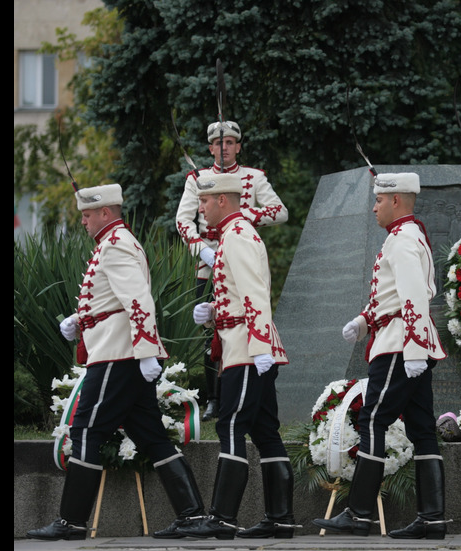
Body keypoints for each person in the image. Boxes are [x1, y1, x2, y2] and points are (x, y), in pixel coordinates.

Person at [27, 184, 205, 541]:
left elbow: (139, 301)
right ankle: (193, 516)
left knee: (87, 431)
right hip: (120, 353)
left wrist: (146, 352)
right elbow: (114, 301)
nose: (83, 221)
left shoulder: (116, 245)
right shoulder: (114, 243)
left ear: (105, 213)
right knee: (151, 436)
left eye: (87, 214)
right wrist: (80, 320)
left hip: (117, 356)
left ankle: (72, 522)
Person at [313, 172, 448, 539]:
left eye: (378, 201)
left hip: (400, 346)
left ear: (396, 201)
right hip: (402, 341)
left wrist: (416, 349)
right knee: (422, 429)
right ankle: (432, 519)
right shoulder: (405, 236)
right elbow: (392, 297)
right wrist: (363, 320)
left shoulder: (402, 240)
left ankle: (359, 514)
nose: (374, 207)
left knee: (372, 420)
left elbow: (414, 297)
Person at [178, 173, 294, 540]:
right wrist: (213, 310)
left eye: (205, 202)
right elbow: (239, 292)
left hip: (247, 349)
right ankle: (281, 518)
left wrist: (260, 347)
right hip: (245, 345)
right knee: (265, 433)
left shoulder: (237, 234)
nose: (201, 208)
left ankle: (224, 517)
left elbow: (255, 293)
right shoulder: (234, 233)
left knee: (230, 426)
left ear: (222, 201)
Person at [175, 120, 288, 421]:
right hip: (207, 261)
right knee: (209, 328)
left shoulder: (254, 177)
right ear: (210, 147)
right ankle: (214, 396)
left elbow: (280, 211)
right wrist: (204, 251)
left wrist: (244, 213)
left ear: (238, 146)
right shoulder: (197, 179)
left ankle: (250, 383)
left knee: (248, 313)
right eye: (218, 143)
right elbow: (183, 221)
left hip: (240, 250)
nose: (223, 148)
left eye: (229, 143)